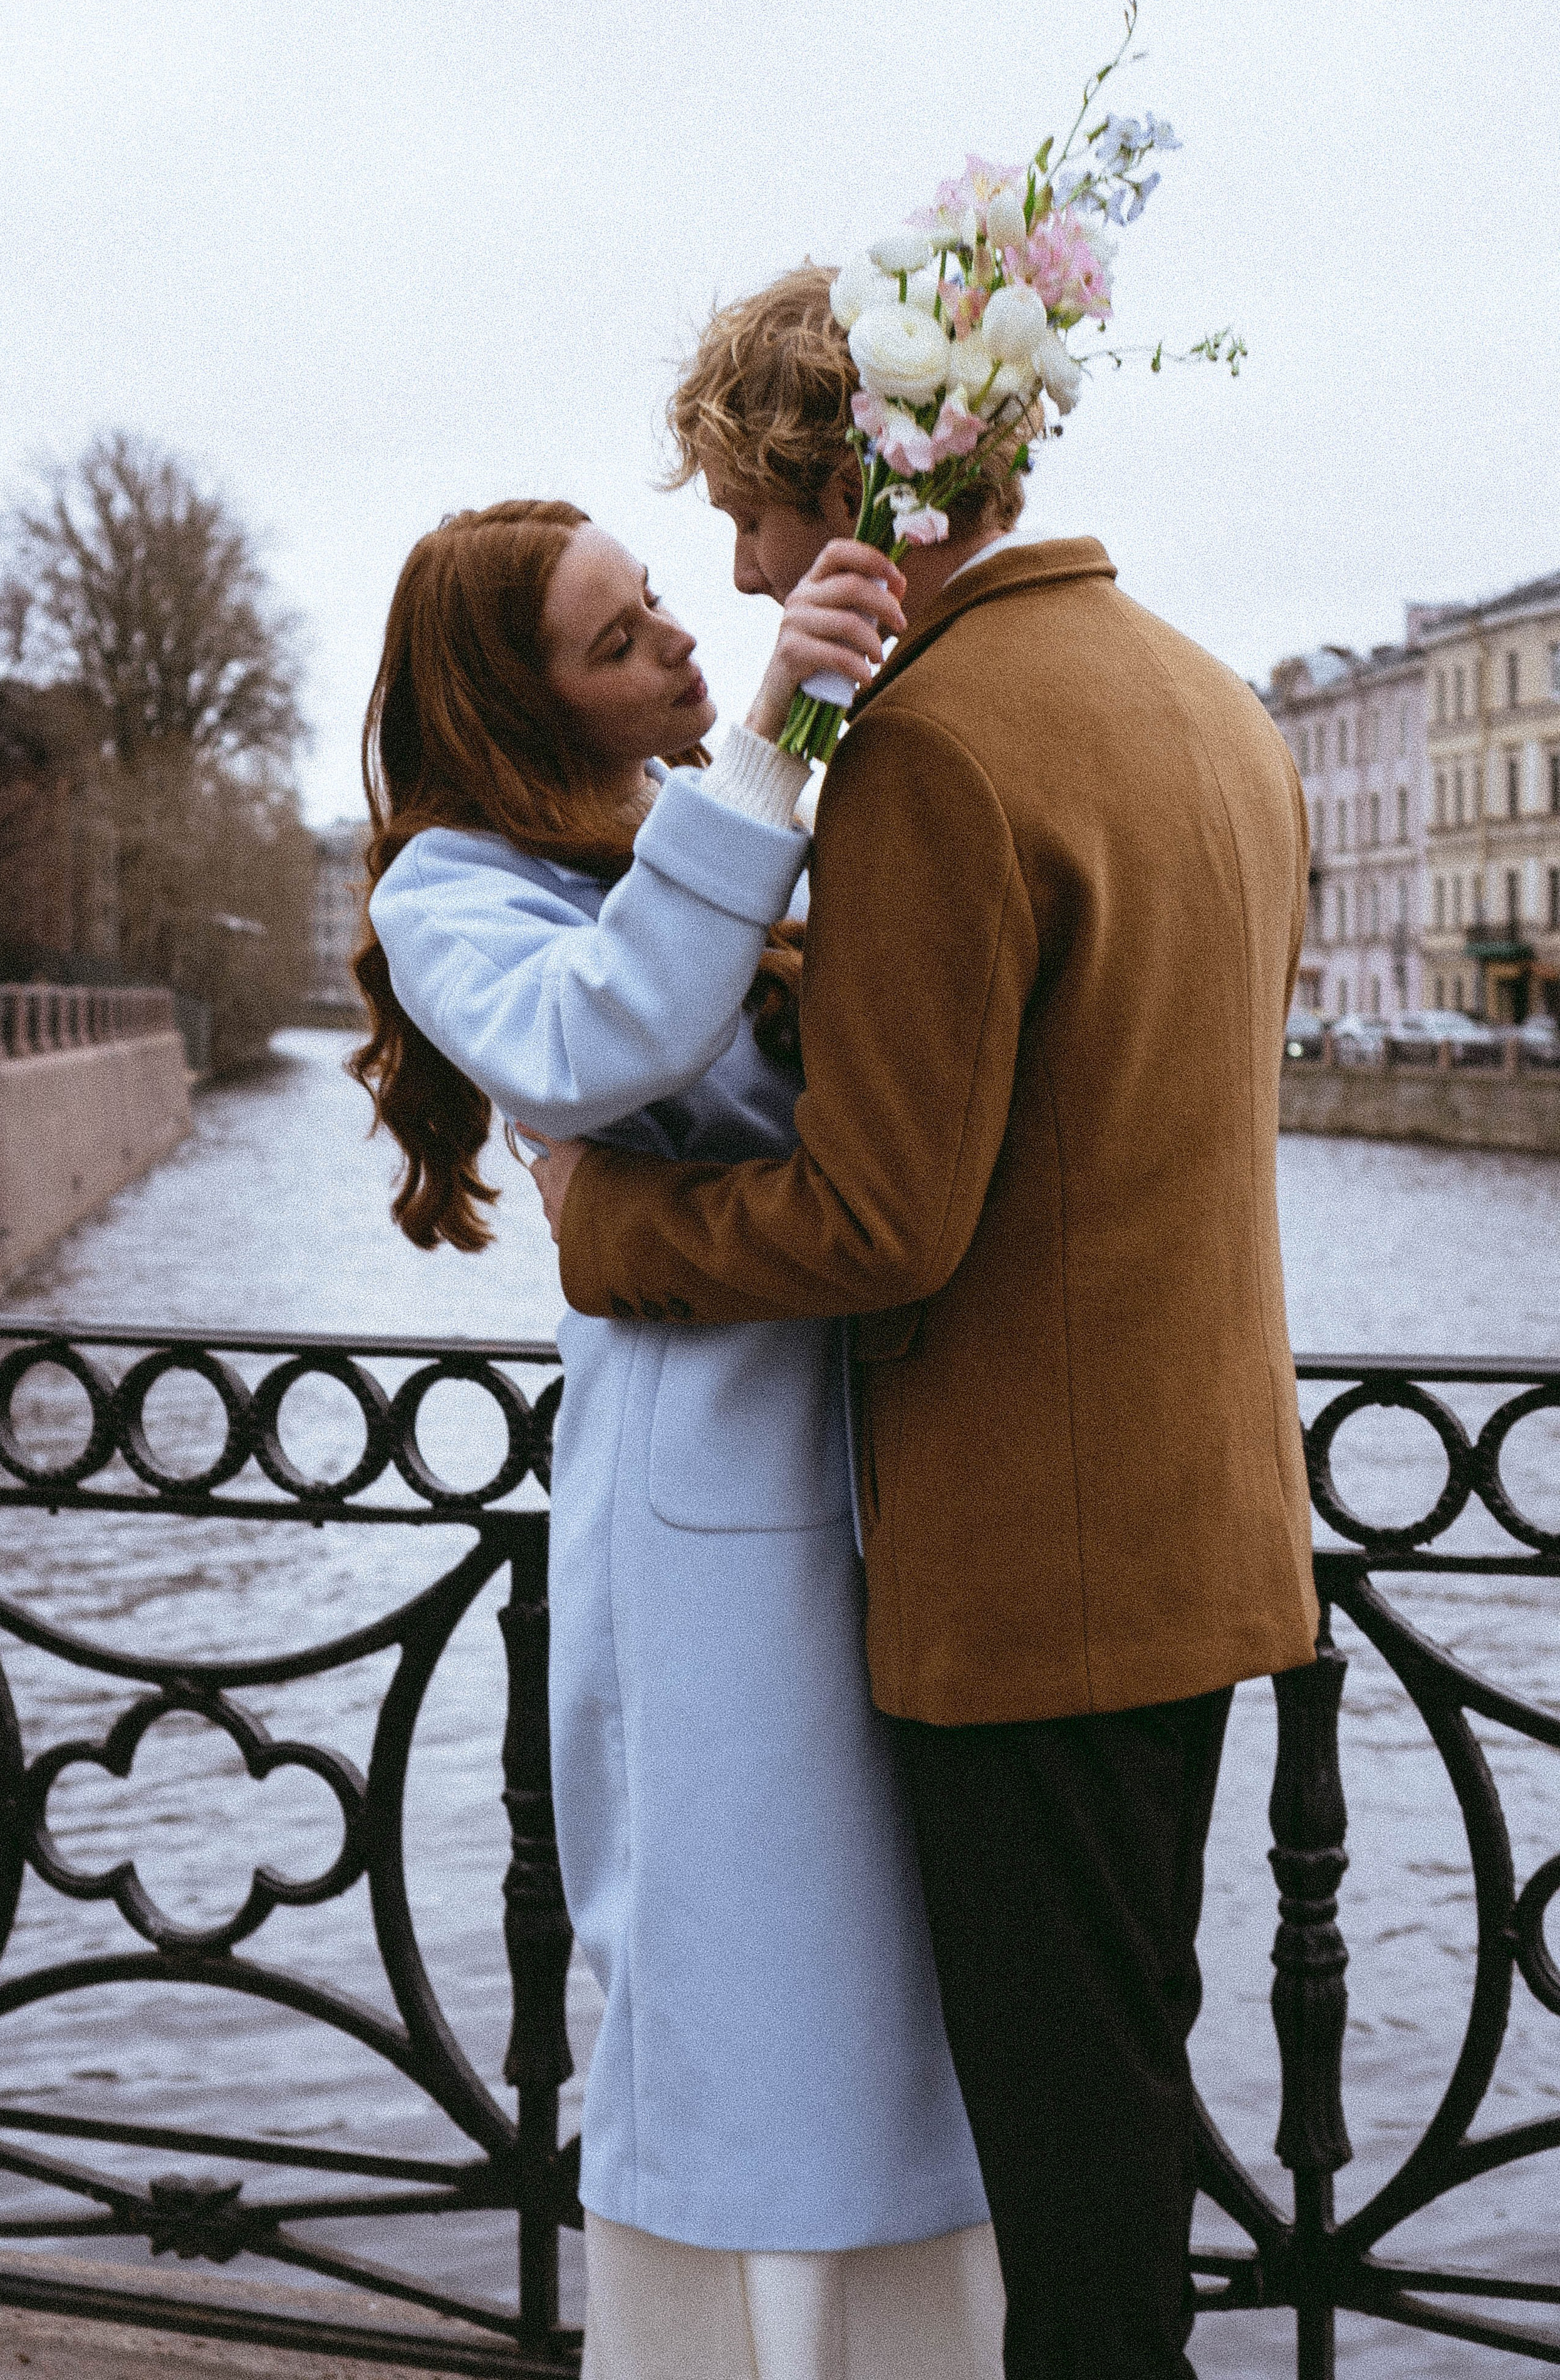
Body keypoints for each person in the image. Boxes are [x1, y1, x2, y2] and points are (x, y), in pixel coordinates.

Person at [528, 269, 1322, 2380]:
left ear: (843, 491)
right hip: (1206, 1538)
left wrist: (618, 1226)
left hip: (1029, 1583)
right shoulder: (1209, 701)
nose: (740, 568)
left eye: (746, 518)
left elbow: (882, 1216)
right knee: (1123, 2125)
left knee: (1064, 2194)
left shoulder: (941, 750)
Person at [351, 499, 1005, 2380]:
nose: (674, 645)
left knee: (890, 1988)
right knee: (740, 1973)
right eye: (614, 640)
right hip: (710, 1472)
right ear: (513, 704)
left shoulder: (692, 824)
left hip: (870, 1439)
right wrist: (765, 749)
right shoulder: (452, 884)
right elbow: (593, 1042)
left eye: (657, 607)